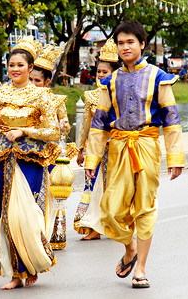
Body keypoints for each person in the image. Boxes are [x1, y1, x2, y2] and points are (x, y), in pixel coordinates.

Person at [84, 21, 184, 289]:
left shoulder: (159, 76)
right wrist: (91, 160)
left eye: (130, 42)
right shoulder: (110, 82)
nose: (125, 47)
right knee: (109, 210)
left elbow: (171, 120)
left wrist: (175, 158)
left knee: (145, 207)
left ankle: (140, 269)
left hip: (147, 147)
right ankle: (130, 249)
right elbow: (99, 124)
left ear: (142, 44)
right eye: (120, 43)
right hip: (117, 149)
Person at [0, 36, 60, 290]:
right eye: (11, 65)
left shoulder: (42, 96)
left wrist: (25, 132)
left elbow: (53, 132)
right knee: (6, 217)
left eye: (20, 65)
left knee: (27, 215)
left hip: (30, 160)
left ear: (31, 68)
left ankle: (33, 262)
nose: (15, 69)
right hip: (3, 158)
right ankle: (15, 273)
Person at [29, 43, 77, 250]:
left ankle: (52, 236)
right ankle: (32, 235)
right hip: (28, 151)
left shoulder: (56, 101)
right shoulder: (23, 98)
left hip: (49, 152)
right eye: (30, 79)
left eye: (37, 81)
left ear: (47, 82)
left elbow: (64, 127)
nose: (32, 83)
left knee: (50, 194)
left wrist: (64, 126)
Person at [74, 37, 119, 241]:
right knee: (95, 187)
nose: (100, 75)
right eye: (98, 72)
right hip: (96, 149)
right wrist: (81, 149)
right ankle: (95, 227)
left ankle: (119, 225)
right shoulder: (91, 97)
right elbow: (86, 126)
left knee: (118, 187)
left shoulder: (121, 92)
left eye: (105, 72)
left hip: (119, 147)